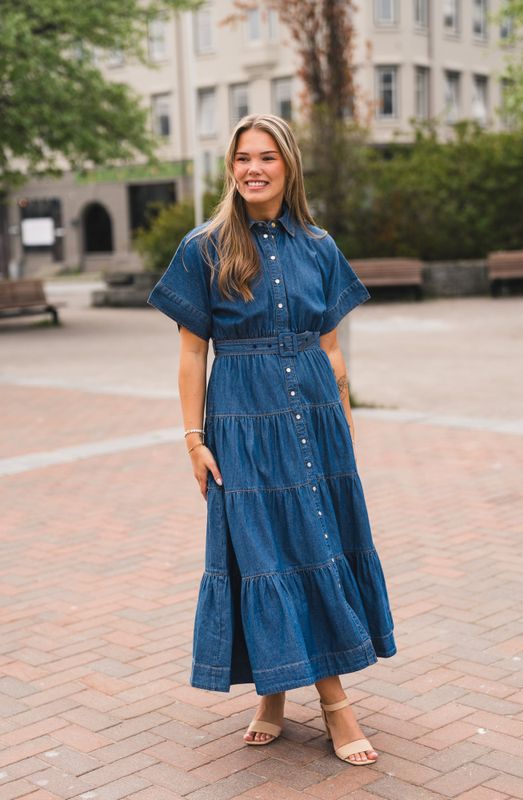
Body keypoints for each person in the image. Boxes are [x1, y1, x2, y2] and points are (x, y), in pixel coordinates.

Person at [147, 113, 397, 766]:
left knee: (314, 545)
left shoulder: (319, 245)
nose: (252, 168)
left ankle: (275, 695)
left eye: (266, 157)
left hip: (314, 420)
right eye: (240, 158)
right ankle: (334, 706)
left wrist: (341, 426)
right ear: (229, 169)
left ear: (288, 167)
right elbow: (189, 355)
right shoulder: (202, 247)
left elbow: (332, 349)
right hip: (243, 425)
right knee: (266, 556)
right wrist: (192, 439)